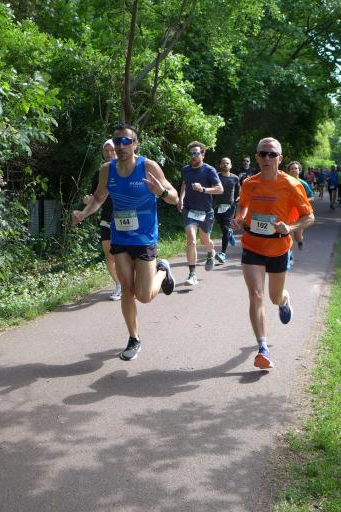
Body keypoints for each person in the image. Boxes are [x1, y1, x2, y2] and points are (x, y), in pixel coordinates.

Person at [72, 124, 178, 361]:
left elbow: (174, 197)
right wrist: (83, 213)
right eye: (117, 141)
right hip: (120, 236)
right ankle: (134, 338)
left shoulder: (148, 166)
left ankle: (162, 270)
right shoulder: (107, 170)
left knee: (145, 295)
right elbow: (99, 198)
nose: (120, 146)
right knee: (127, 290)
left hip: (144, 237)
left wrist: (161, 192)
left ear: (135, 144)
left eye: (126, 141)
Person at [232, 138, 314, 370]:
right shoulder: (249, 183)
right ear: (257, 157)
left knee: (274, 297)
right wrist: (239, 219)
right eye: (262, 154)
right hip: (252, 245)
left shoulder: (291, 185)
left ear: (280, 158)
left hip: (279, 247)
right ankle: (263, 349)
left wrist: (290, 227)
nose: (267, 158)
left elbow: (309, 217)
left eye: (272, 154)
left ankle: (284, 300)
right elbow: (243, 206)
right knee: (256, 294)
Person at [177, 141, 223, 285]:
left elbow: (220, 189)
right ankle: (192, 274)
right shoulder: (185, 169)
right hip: (189, 210)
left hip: (205, 212)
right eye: (191, 153)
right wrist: (181, 198)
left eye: (196, 153)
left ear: (203, 154)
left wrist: (203, 189)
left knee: (204, 240)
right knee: (191, 239)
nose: (193, 156)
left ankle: (211, 252)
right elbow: (185, 183)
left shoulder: (209, 170)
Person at [83, 139, 120, 300]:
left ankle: (133, 280)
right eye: (106, 150)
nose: (109, 153)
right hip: (106, 219)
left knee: (125, 256)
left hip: (125, 219)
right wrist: (88, 201)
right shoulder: (100, 173)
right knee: (110, 257)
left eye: (112, 150)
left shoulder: (126, 170)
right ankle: (120, 285)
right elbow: (95, 198)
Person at [213, 157, 240, 264]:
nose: (225, 164)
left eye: (227, 163)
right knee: (223, 228)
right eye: (223, 163)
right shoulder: (216, 176)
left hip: (229, 207)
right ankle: (229, 232)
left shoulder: (235, 178)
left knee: (224, 228)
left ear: (231, 165)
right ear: (220, 165)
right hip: (217, 207)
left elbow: (238, 192)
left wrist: (237, 199)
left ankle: (223, 254)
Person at [286, 161, 314, 259]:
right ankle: (290, 254)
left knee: (298, 236)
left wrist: (302, 202)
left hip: (300, 214)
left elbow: (312, 197)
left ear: (299, 170)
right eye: (292, 168)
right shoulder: (285, 182)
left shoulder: (303, 183)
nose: (294, 170)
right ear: (289, 171)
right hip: (288, 212)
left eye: (296, 168)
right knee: (289, 234)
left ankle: (300, 240)